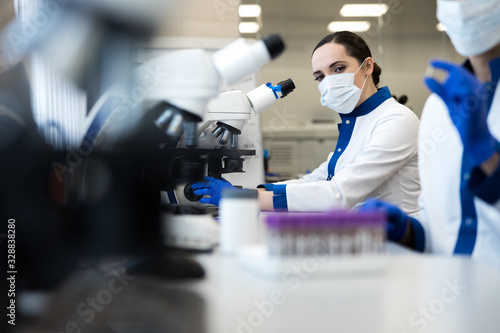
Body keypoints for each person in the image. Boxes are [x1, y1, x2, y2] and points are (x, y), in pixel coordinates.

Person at [192, 31, 420, 215]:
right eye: (320, 76)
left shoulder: (396, 120)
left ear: (367, 66)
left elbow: (336, 195)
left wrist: (243, 198)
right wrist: (249, 192)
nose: (328, 81)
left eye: (338, 68)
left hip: (397, 246)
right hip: (365, 241)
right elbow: (315, 181)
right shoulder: (356, 121)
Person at [362, 0, 500, 269]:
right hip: (445, 291)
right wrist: (408, 231)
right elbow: (441, 221)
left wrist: (488, 155)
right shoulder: (439, 105)